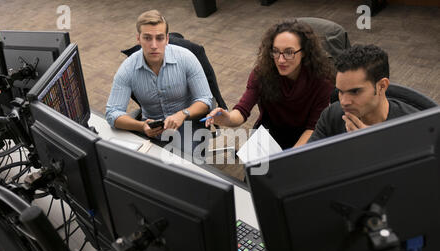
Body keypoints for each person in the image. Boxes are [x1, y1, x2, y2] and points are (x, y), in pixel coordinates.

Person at [204, 19, 335, 149]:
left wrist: (290, 156)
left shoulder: (322, 80)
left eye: (289, 52)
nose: (281, 60)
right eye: (276, 51)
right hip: (270, 131)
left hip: (304, 135)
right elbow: (243, 109)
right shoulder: (262, 73)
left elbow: (313, 127)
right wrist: (228, 119)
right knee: (255, 169)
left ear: (304, 52)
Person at [105, 10, 213, 151]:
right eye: (147, 38)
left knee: (182, 164)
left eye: (159, 38)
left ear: (167, 39)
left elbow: (205, 100)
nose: (154, 45)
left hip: (188, 123)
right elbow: (112, 113)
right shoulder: (128, 68)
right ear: (138, 39)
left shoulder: (186, 58)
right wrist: (141, 126)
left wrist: (183, 114)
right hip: (151, 129)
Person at [308, 44, 419, 142]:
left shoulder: (415, 126)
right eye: (341, 91)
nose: (344, 102)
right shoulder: (331, 116)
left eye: (355, 91)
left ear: (381, 86)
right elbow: (307, 161)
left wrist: (373, 144)